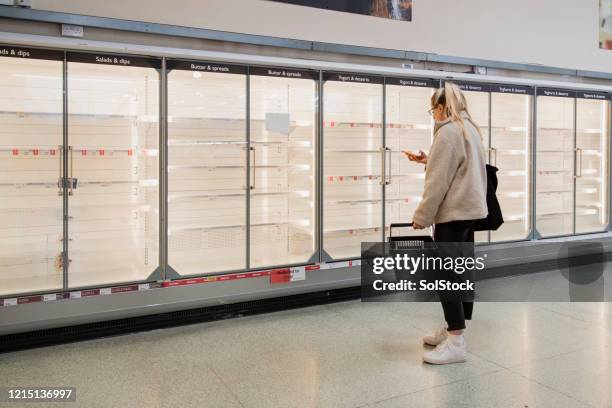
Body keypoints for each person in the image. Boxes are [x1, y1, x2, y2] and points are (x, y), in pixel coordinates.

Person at [403, 82, 487, 365]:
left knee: (446, 277)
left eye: (433, 110)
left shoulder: (448, 133)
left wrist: (422, 217)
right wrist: (427, 160)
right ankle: (453, 326)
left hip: (452, 216)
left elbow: (437, 184)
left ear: (441, 107)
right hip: (470, 212)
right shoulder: (469, 128)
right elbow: (460, 170)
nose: (433, 115)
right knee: (460, 273)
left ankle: (456, 341)